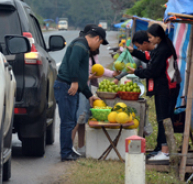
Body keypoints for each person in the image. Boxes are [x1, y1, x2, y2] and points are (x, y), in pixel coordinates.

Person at [54, 25, 108, 162]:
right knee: (67, 122)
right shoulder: (81, 45)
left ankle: (68, 150)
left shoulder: (82, 45)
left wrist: (89, 95)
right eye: (100, 43)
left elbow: (82, 77)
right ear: (96, 38)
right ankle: (66, 153)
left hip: (69, 86)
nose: (98, 47)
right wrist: (74, 81)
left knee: (71, 121)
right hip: (66, 86)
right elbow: (73, 62)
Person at [127, 24, 181, 161]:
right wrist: (133, 51)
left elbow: (153, 71)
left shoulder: (163, 49)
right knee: (161, 119)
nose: (149, 40)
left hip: (167, 88)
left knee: (164, 119)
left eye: (151, 37)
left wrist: (136, 71)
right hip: (163, 88)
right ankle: (160, 148)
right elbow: (150, 58)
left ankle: (165, 152)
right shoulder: (160, 47)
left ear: (158, 37)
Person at [71, 26, 120, 156]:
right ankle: (69, 147)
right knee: (77, 118)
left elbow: (97, 68)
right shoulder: (81, 49)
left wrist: (112, 73)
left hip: (86, 88)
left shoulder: (94, 52)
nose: (99, 45)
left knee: (83, 118)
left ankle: (81, 146)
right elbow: (77, 71)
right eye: (99, 42)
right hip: (79, 87)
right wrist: (90, 77)